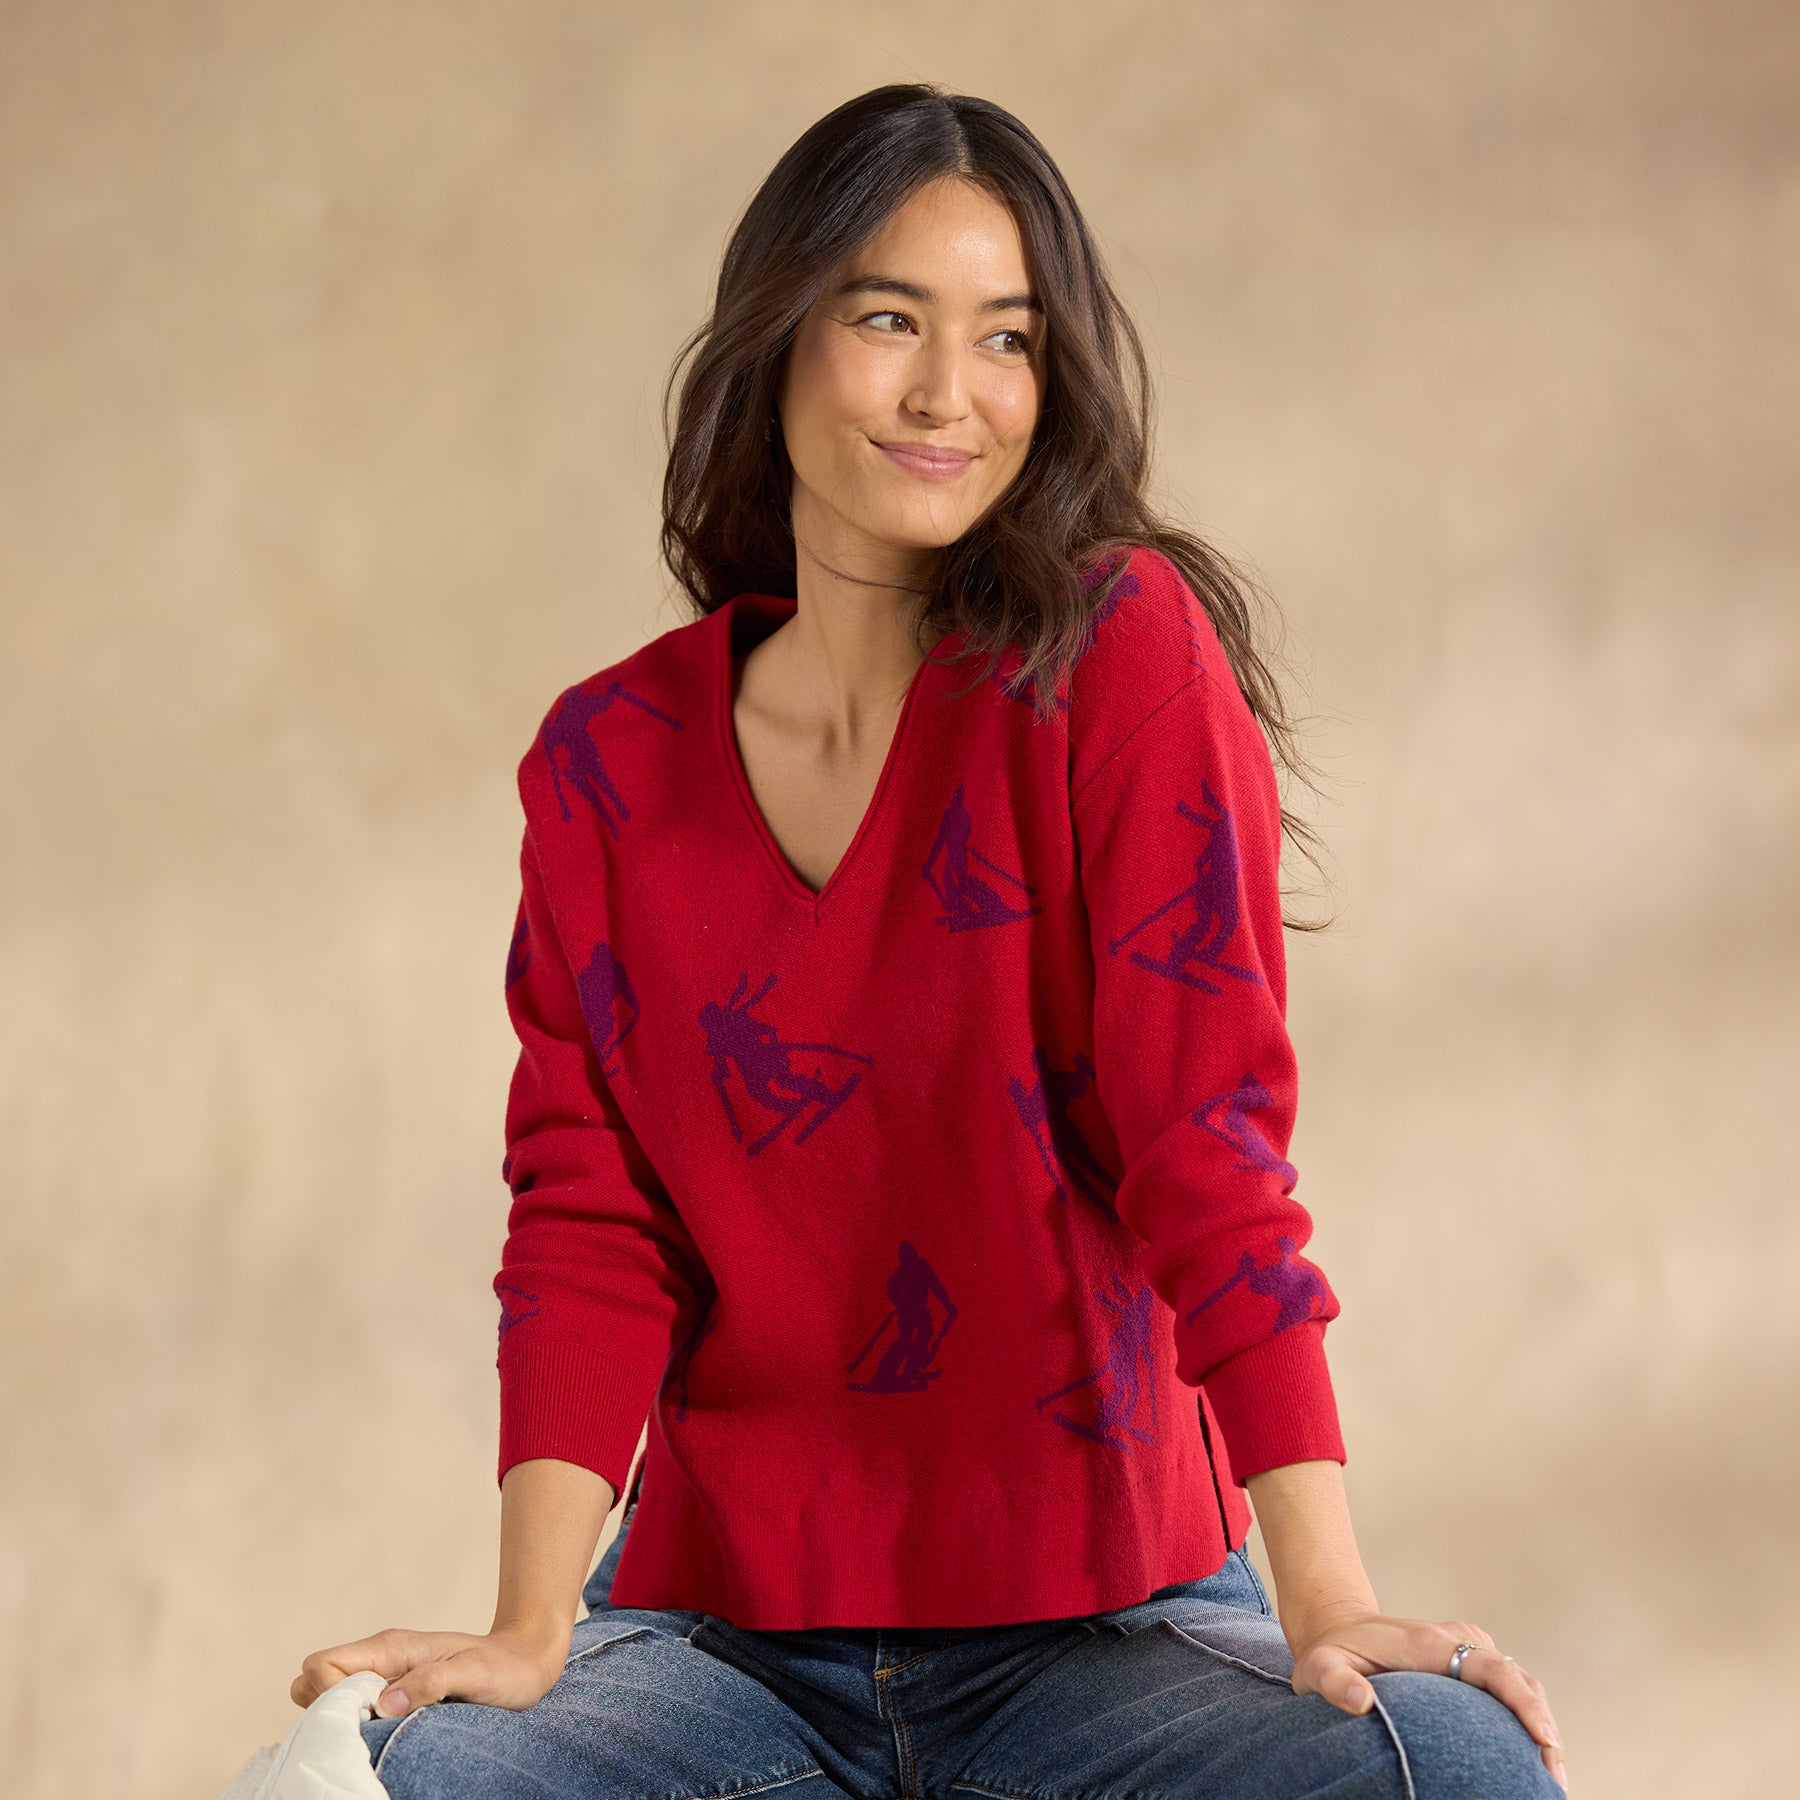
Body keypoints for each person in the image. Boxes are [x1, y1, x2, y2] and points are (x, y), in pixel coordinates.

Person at [289, 83, 1568, 1799]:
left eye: (1007, 338)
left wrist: (1327, 1597)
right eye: (889, 318)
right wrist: (527, 1630)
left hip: (1108, 1637)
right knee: (378, 1784)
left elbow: (1210, 1145)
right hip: (721, 1648)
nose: (947, 392)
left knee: (1458, 1769)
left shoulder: (1117, 655)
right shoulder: (607, 762)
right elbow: (588, 1219)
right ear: (778, 338)